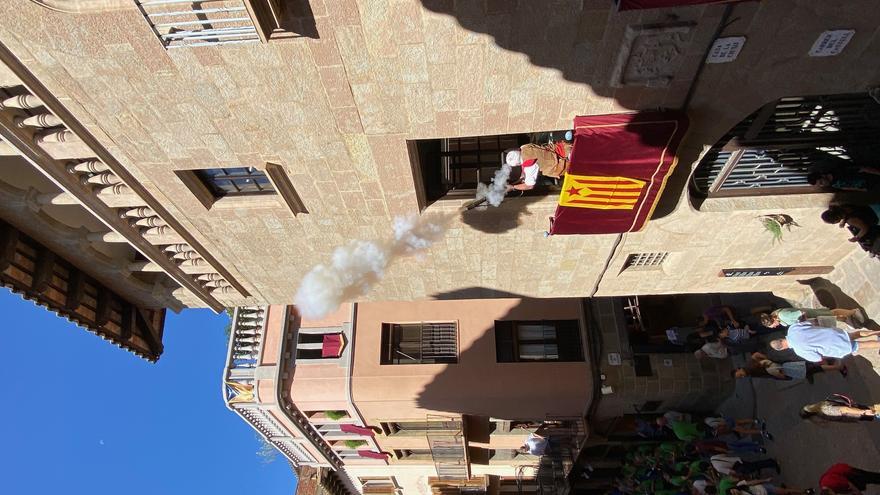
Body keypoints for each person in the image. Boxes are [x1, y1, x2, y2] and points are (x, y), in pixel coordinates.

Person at [770, 321, 880, 362]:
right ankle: (877, 332)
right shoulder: (792, 329)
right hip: (832, 333)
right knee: (856, 334)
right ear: (780, 339)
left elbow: (818, 358)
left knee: (860, 345)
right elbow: (809, 324)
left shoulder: (800, 351)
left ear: (782, 348)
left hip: (835, 346)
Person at [504, 141, 571, 192]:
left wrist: (513, 187)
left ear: (517, 164)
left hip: (565, 164)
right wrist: (522, 176)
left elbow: (529, 186)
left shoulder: (529, 167)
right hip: (563, 148)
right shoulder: (524, 147)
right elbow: (525, 161)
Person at [732, 352, 844, 381]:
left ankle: (838, 367)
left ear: (739, 370)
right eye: (740, 377)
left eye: (740, 375)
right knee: (809, 365)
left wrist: (782, 376)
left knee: (813, 368)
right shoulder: (750, 368)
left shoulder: (751, 368)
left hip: (786, 369)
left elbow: (774, 374)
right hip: (783, 365)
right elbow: (756, 355)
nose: (742, 376)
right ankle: (829, 359)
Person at [759, 307, 865, 328]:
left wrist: (803, 322)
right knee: (832, 316)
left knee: (833, 313)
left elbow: (801, 312)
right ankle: (846, 318)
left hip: (812, 316)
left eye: (772, 326)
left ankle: (853, 312)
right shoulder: (779, 318)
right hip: (813, 317)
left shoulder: (783, 315)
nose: (773, 327)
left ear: (773, 320)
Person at [800, 396, 880, 422]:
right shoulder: (822, 408)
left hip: (855, 412)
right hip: (855, 411)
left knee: (874, 412)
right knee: (874, 411)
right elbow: (844, 409)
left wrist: (864, 411)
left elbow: (844, 409)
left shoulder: (823, 411)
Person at [710, 454, 780, 477]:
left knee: (755, 465)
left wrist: (739, 474)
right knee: (755, 464)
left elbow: (731, 472)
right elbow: (724, 454)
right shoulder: (712, 458)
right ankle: (770, 462)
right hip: (737, 460)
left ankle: (772, 462)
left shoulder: (718, 468)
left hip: (738, 467)